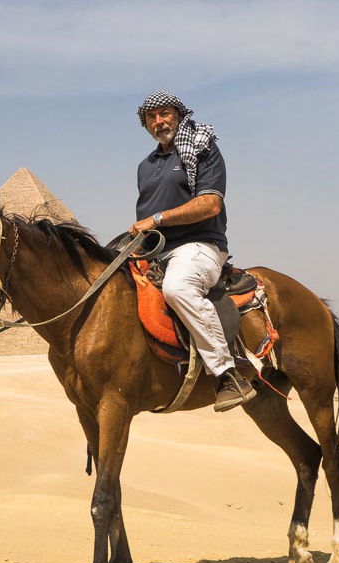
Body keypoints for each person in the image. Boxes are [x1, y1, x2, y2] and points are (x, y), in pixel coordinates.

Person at [128, 90, 255, 411]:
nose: (159, 122)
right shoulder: (146, 166)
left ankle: (227, 375)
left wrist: (156, 219)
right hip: (156, 251)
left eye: (165, 114)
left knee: (177, 287)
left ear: (179, 116)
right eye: (151, 118)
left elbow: (210, 203)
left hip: (199, 246)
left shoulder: (202, 149)